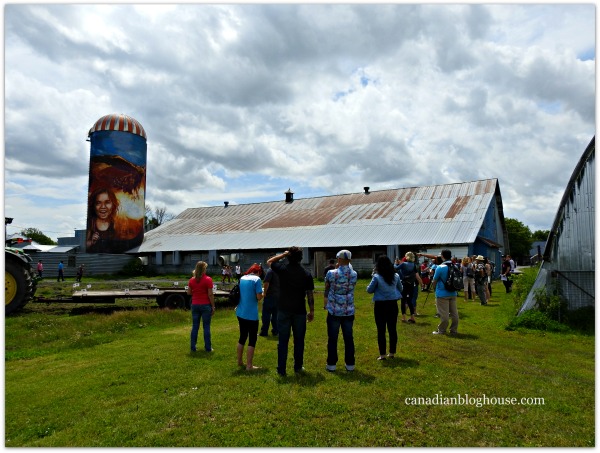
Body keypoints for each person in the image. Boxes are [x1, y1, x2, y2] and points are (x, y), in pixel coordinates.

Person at [267, 247, 315, 376]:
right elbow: (310, 294)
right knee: (299, 340)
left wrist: (283, 254)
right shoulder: (306, 273)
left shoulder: (283, 270)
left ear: (288, 257)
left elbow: (270, 262)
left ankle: (281, 369)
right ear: (301, 258)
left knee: (283, 340)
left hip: (283, 309)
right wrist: (311, 311)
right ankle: (298, 367)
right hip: (299, 310)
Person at [324, 249, 358, 372]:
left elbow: (326, 286)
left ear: (338, 259)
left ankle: (331, 364)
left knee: (333, 338)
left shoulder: (331, 273)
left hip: (334, 309)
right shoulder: (354, 274)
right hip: (348, 310)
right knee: (348, 337)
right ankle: (350, 364)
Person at [366, 255, 403, 361]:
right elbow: (400, 288)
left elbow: (369, 290)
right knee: (392, 329)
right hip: (392, 304)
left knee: (381, 330)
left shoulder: (377, 277)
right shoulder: (395, 275)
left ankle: (382, 354)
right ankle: (392, 352)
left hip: (380, 305)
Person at [235, 264, 264, 371]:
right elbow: (258, 297)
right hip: (251, 314)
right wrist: (263, 293)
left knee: (242, 337)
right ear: (258, 272)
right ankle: (249, 365)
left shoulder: (242, 278)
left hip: (241, 312)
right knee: (252, 339)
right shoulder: (257, 279)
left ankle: (239, 361)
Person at [186, 261, 215, 352]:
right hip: (205, 304)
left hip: (195, 304)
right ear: (203, 269)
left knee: (195, 326)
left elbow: (189, 292)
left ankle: (193, 347)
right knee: (206, 326)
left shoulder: (192, 280)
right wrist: (213, 306)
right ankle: (208, 347)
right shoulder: (208, 279)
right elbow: (210, 294)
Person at [432, 249, 459, 335]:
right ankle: (454, 330)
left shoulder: (440, 267)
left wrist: (434, 289)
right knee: (454, 313)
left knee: (444, 315)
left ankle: (442, 330)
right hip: (453, 292)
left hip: (442, 293)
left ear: (442, 256)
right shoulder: (455, 266)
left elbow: (434, 280)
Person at [86, 187, 120, 253]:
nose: (103, 207)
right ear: (94, 205)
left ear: (113, 204)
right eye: (98, 203)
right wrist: (91, 242)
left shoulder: (116, 224)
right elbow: (84, 247)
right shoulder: (91, 224)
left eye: (107, 202)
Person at [398, 252, 422, 323]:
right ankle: (412, 317)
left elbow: (395, 268)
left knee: (403, 301)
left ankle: (403, 317)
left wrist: (396, 263)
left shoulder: (404, 264)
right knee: (410, 301)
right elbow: (415, 274)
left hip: (404, 284)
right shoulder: (414, 265)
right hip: (411, 284)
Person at [260, 261, 279, 337]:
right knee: (276, 315)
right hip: (278, 296)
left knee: (266, 315)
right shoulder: (280, 271)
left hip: (270, 296)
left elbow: (266, 282)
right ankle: (276, 331)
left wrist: (264, 292)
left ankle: (264, 331)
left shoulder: (270, 271)